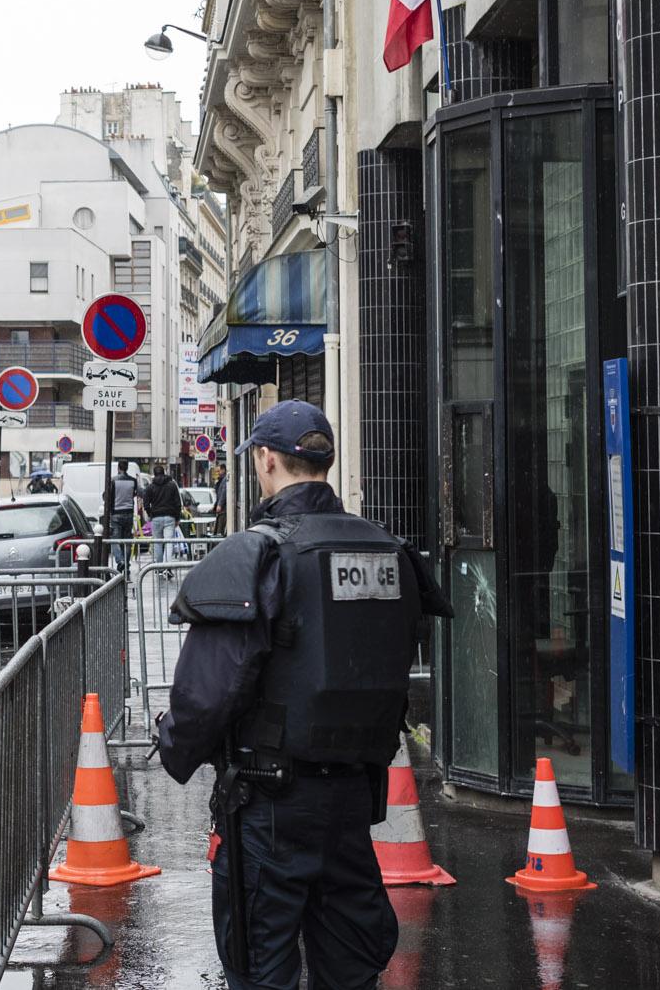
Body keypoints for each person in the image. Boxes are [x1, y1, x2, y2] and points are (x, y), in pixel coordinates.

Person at [155, 400, 451, 990]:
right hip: (351, 801)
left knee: (262, 968)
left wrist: (175, 745)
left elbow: (207, 692)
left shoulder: (259, 556)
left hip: (269, 804)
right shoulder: (387, 552)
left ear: (266, 460)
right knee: (350, 969)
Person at [106, 459, 143, 571]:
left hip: (116, 514)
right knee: (127, 540)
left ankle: (120, 560)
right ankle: (126, 564)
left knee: (115, 540)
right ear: (126, 468)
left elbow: (108, 496)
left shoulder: (113, 481)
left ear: (118, 468)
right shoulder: (132, 481)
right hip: (128, 513)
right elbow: (137, 493)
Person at [145, 462, 183, 561]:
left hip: (156, 517)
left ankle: (159, 568)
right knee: (169, 542)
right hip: (170, 517)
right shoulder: (172, 485)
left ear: (154, 474)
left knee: (157, 543)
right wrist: (177, 518)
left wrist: (151, 514)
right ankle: (167, 567)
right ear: (164, 473)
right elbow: (178, 503)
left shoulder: (150, 487)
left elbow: (146, 504)